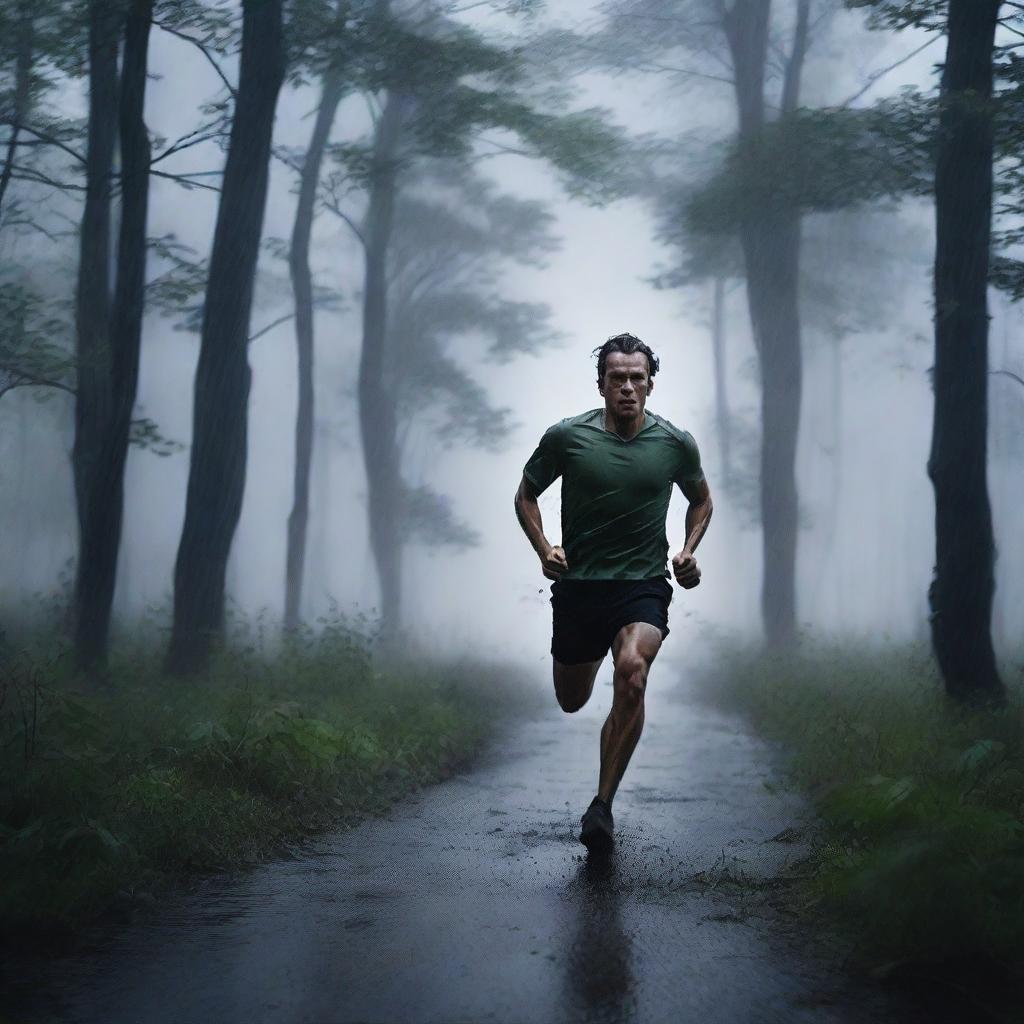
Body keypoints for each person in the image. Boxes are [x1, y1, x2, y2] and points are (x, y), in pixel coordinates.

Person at [514, 332, 713, 854]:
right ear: (601, 384)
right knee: (572, 700)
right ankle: (595, 660)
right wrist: (544, 549)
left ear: (650, 384)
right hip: (579, 588)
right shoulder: (567, 437)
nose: (627, 387)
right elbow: (526, 494)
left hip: (642, 585)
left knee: (633, 672)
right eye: (617, 378)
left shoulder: (674, 444)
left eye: (636, 378)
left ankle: (601, 806)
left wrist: (689, 551)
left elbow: (702, 500)